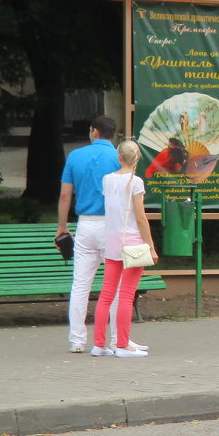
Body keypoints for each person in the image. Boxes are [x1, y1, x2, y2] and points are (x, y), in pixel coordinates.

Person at [58, 116, 142, 353]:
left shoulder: (75, 156)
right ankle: (117, 339)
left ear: (94, 132)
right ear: (111, 134)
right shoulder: (117, 157)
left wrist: (62, 227)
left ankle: (77, 340)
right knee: (114, 286)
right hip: (113, 227)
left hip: (85, 225)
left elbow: (65, 195)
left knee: (81, 284)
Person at [90, 141, 159, 358]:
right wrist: (151, 246)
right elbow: (140, 217)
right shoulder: (136, 182)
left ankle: (99, 344)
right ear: (137, 158)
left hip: (111, 242)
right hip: (132, 244)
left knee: (106, 294)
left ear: (119, 157)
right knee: (127, 295)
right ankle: (122, 345)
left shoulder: (107, 180)